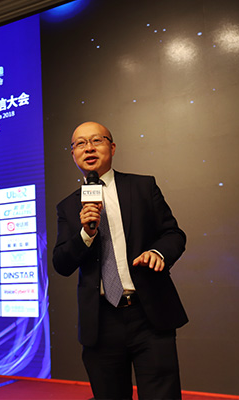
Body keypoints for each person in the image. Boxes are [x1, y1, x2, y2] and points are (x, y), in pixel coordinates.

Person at [52, 121, 188, 400]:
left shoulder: (142, 186)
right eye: (80, 143)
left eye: (97, 140)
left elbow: (173, 234)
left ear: (112, 147)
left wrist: (158, 253)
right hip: (100, 322)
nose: (89, 148)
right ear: (73, 154)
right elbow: (61, 263)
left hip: (149, 314)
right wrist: (86, 234)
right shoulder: (67, 206)